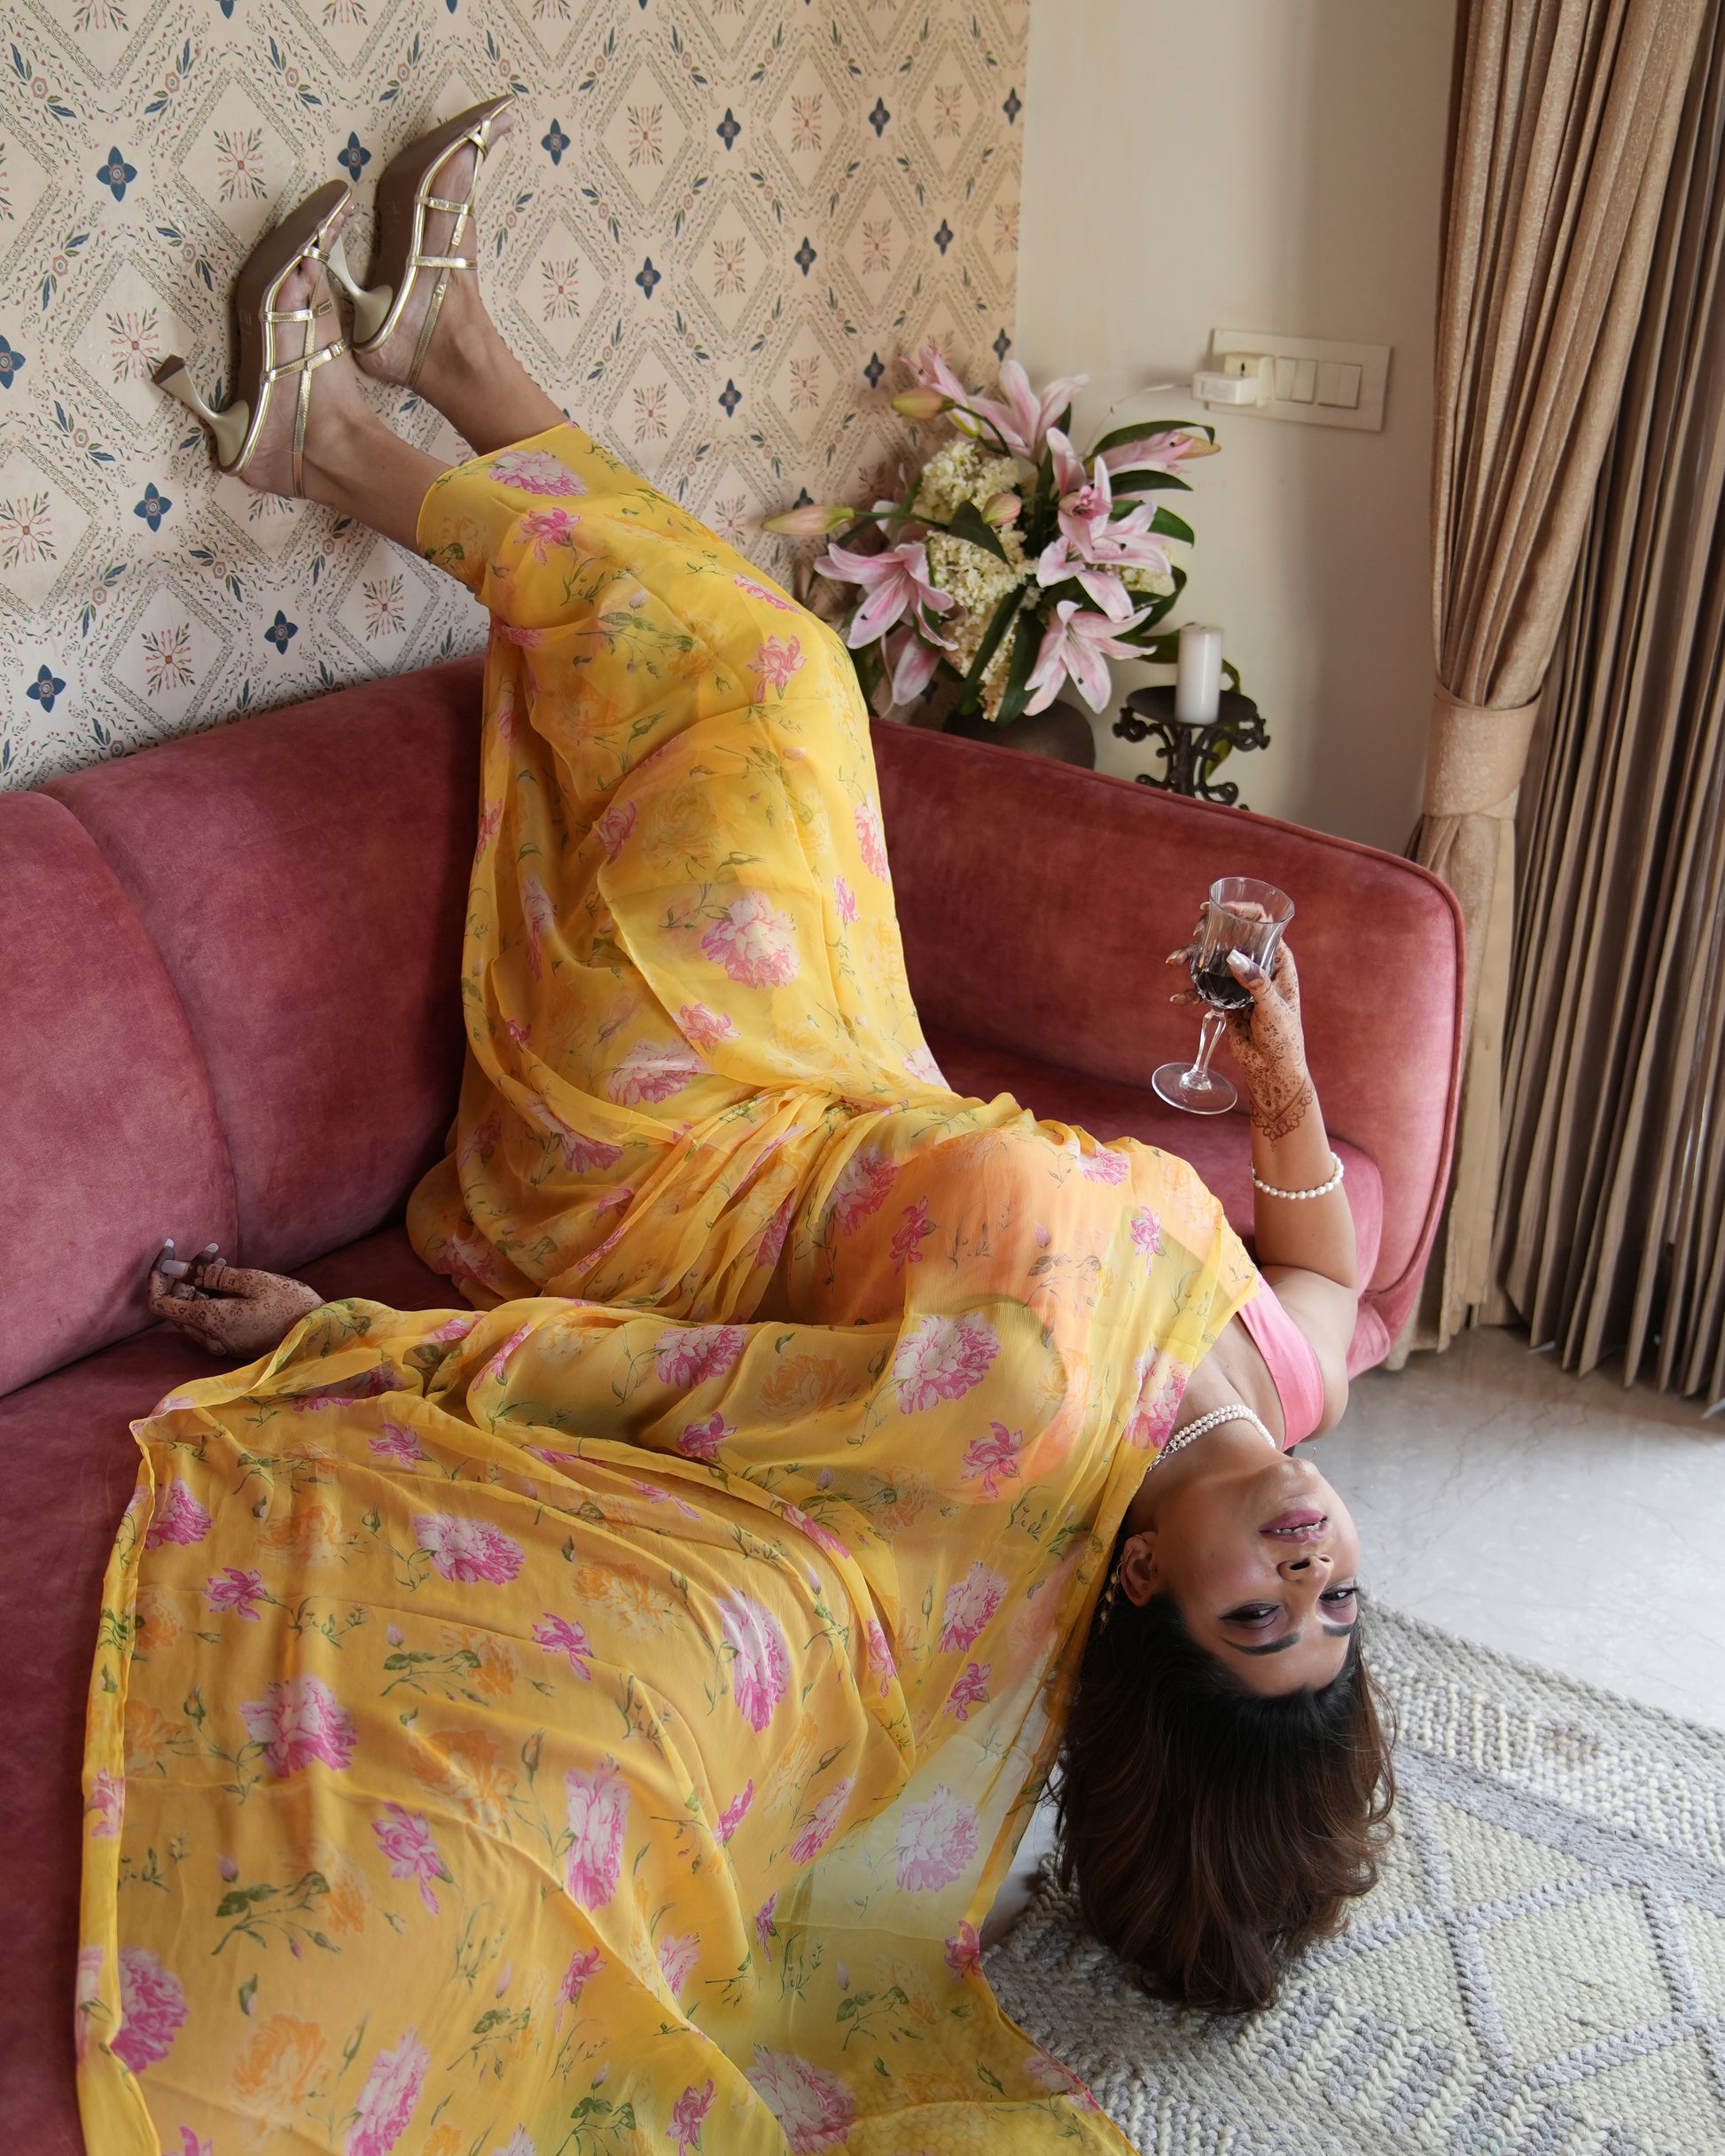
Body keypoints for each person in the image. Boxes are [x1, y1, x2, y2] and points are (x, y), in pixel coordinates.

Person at [85, 100, 1392, 2156]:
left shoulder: (1020, 1433)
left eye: (1256, 1613)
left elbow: (675, 1384)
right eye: (1336, 1606)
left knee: (770, 676)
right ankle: (432, 362)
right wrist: (1287, 1085)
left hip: (662, 1157)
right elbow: (1324, 1262)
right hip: (836, 1046)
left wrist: (351, 1335)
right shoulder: (1273, 1388)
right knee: (789, 680)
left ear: (1145, 1584)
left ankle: (344, 431)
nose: (1308, 1562)